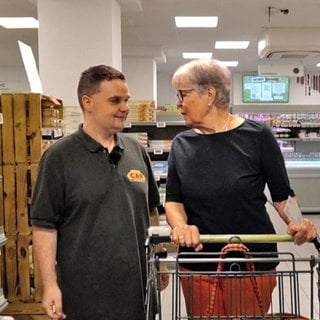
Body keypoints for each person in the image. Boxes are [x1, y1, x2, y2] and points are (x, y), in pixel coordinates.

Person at [164, 59, 318, 317]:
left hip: (251, 262)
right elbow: (173, 200)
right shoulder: (181, 144)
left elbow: (282, 197)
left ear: (210, 94)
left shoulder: (257, 137)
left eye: (183, 94)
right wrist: (180, 226)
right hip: (199, 263)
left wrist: (298, 222)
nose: (178, 102)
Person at [30, 64, 168, 320]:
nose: (124, 107)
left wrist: (158, 259)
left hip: (137, 294)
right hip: (83, 298)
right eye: (115, 100)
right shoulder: (58, 157)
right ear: (88, 103)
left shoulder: (136, 151)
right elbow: (44, 226)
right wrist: (49, 285)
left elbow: (151, 210)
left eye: (126, 99)